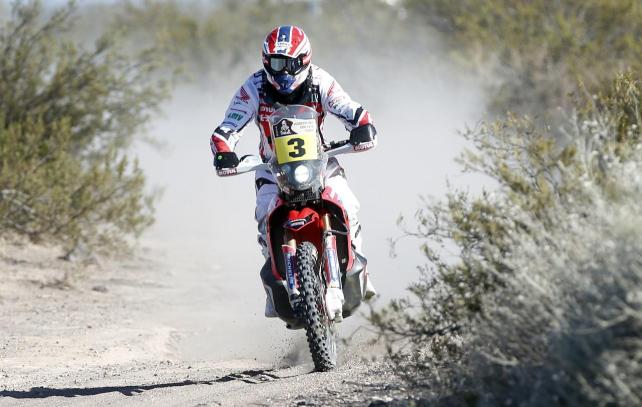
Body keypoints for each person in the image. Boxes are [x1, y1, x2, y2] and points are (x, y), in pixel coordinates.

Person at [210, 25, 377, 321]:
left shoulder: (321, 80)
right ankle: (275, 288)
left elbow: (350, 109)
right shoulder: (253, 87)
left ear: (305, 59)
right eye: (276, 64)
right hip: (272, 169)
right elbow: (227, 127)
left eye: (290, 64)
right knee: (264, 215)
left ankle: (359, 268)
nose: (284, 73)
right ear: (265, 62)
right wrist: (224, 151)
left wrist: (362, 126)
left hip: (320, 161)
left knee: (348, 203)